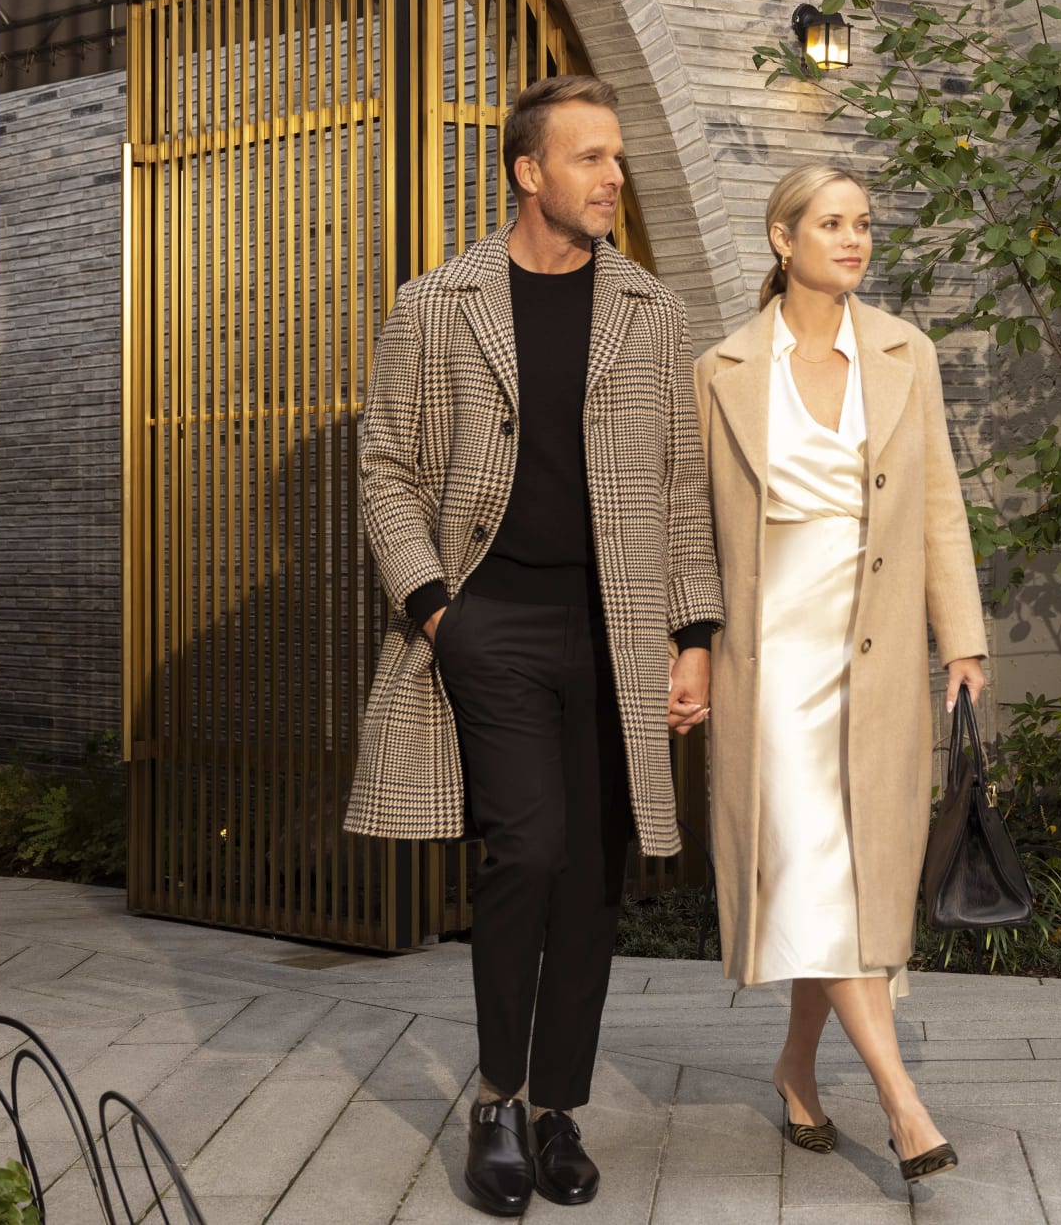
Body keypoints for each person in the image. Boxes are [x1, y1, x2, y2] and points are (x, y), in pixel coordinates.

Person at [347, 74, 723, 1218]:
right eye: (591, 158)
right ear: (529, 171)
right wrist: (435, 610)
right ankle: (496, 1101)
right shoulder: (437, 303)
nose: (615, 178)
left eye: (618, 160)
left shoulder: (650, 311)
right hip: (490, 620)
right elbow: (388, 470)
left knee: (592, 877)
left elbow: (676, 482)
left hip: (614, 626)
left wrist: (692, 634)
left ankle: (559, 1109)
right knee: (528, 849)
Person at [692, 163, 989, 1184]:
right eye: (832, 223)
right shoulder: (724, 367)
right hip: (770, 656)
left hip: (876, 651)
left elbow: (940, 503)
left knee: (850, 870)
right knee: (818, 860)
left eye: (864, 223)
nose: (856, 240)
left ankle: (794, 1067)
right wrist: (685, 649)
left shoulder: (908, 352)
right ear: (783, 239)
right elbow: (692, 526)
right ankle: (906, 1107)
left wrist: (963, 638)